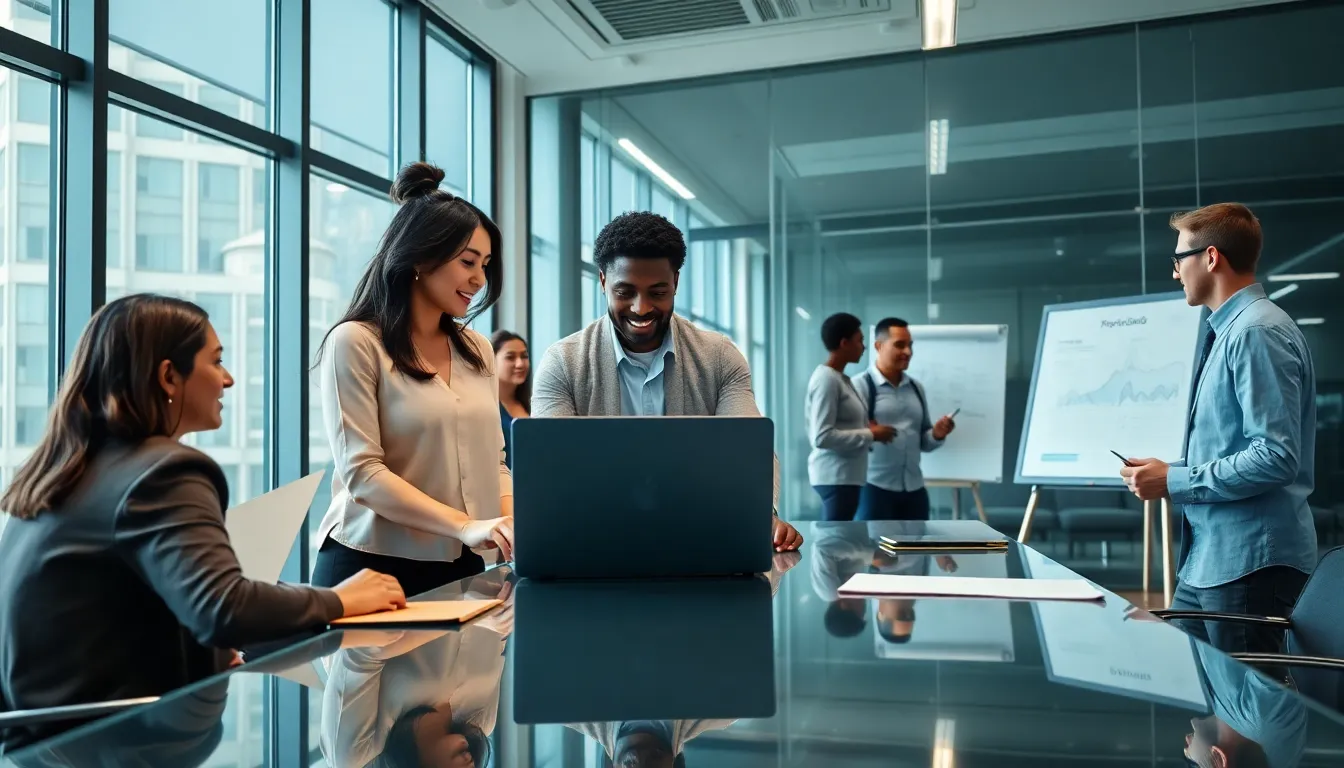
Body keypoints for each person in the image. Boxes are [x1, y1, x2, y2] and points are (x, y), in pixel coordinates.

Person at [0, 294, 405, 751]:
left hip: (45, 745)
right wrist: (341, 600)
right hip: (117, 745)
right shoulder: (163, 471)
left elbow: (115, 613)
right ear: (169, 375)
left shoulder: (60, 470)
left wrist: (201, 652)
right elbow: (224, 610)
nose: (228, 379)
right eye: (216, 362)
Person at [531, 211, 803, 552]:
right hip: (596, 541)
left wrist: (761, 514)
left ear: (675, 281)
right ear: (602, 281)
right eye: (625, 291)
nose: (641, 308)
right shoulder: (563, 362)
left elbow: (748, 452)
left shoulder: (719, 357)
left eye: (657, 292)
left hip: (702, 540)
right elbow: (552, 473)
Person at [312, 162, 515, 599]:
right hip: (369, 566)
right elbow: (363, 474)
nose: (479, 279)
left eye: (485, 264)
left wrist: (511, 524)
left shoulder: (477, 349)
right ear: (421, 258)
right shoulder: (355, 343)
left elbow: (493, 461)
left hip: (462, 562)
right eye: (467, 262)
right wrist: (465, 525)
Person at [1121, 202, 1317, 655]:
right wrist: (1169, 470)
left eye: (1178, 260)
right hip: (1210, 562)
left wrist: (1173, 480)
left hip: (1250, 567)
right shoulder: (1231, 331)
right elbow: (1234, 444)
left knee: (1245, 715)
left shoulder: (1256, 332)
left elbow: (1274, 456)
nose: (1175, 273)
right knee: (1206, 706)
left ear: (1210, 258)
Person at [852, 318, 956, 521]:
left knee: (916, 551)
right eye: (900, 345)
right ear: (878, 346)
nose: (908, 352)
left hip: (914, 489)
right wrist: (869, 433)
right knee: (873, 551)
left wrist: (936, 434)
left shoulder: (917, 388)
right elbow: (844, 440)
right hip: (874, 489)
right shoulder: (859, 387)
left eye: (910, 345)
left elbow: (924, 442)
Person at [806, 313, 892, 522]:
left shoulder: (840, 378)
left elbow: (841, 423)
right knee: (835, 544)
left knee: (839, 544)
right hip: (836, 477)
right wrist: (870, 434)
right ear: (844, 343)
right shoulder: (827, 379)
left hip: (846, 477)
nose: (864, 347)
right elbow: (822, 436)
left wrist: (866, 427)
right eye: (859, 340)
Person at [491, 330, 531, 469]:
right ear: (491, 360)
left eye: (524, 356)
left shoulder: (533, 405)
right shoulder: (488, 408)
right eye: (510, 357)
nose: (520, 364)